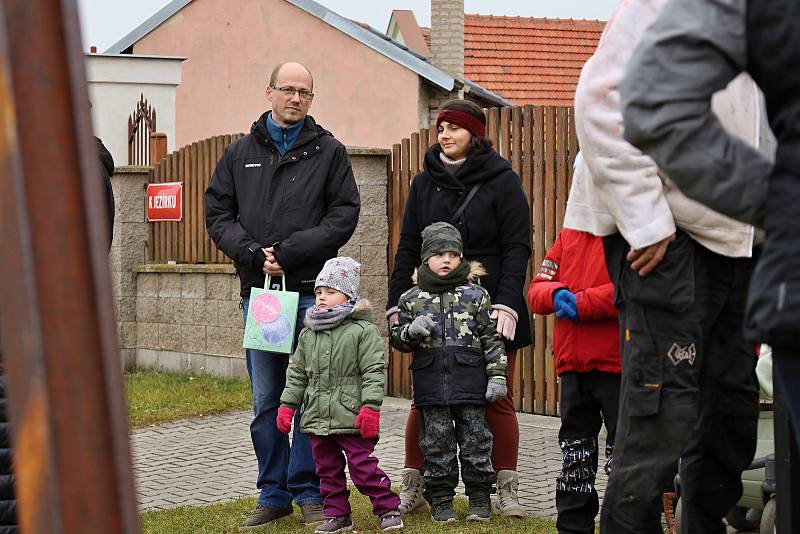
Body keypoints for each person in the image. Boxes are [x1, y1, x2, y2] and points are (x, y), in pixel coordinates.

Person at [567, 1, 775, 531]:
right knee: (660, 421)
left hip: (745, 240)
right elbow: (601, 101)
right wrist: (647, 217)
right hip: (670, 240)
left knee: (731, 422)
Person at [205, 62, 360, 529]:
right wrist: (254, 253)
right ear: (269, 91)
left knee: (313, 398)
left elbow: (343, 215)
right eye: (288, 90)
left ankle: (310, 490)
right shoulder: (239, 154)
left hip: (315, 299)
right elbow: (217, 214)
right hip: (264, 298)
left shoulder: (330, 152)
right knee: (268, 400)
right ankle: (273, 493)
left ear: (312, 99)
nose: (295, 98)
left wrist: (290, 253)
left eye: (304, 92)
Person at [387, 99, 531, 518]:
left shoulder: (502, 180)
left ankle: (506, 490)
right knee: (425, 400)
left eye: (453, 128)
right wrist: (399, 302)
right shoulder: (423, 182)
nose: (444, 135)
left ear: (474, 132)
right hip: (430, 307)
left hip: (488, 306)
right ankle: (415, 485)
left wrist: (506, 301)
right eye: (440, 128)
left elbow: (518, 245)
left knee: (496, 398)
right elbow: (409, 245)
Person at [389, 222, 508, 523]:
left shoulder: (475, 295)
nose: (447, 260)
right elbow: (397, 340)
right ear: (426, 258)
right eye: (440, 253)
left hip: (470, 384)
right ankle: (440, 499)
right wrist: (411, 331)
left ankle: (480, 497)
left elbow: (492, 340)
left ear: (461, 258)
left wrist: (497, 376)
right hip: (432, 387)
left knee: (476, 441)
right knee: (436, 444)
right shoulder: (411, 298)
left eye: (453, 254)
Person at [278, 257, 403, 533]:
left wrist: (370, 407)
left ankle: (388, 508)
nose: (322, 298)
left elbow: (373, 371)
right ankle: (337, 515)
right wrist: (288, 406)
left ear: (348, 296)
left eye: (330, 292)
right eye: (319, 292)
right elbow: (298, 373)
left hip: (352, 415)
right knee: (327, 471)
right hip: (317, 417)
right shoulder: (309, 333)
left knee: (363, 468)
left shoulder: (362, 331)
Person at [527, 228, 620, 534]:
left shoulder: (627, 231)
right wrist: (554, 294)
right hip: (572, 365)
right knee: (575, 458)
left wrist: (584, 303)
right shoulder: (568, 236)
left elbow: (632, 288)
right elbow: (538, 287)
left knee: (621, 458)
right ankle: (572, 527)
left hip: (616, 364)